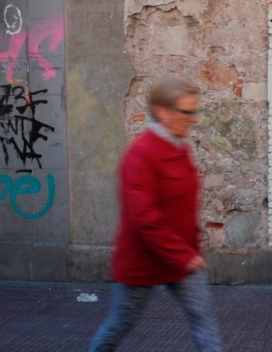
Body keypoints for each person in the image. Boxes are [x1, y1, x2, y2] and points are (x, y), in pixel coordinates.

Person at [89, 77, 223, 352]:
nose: (193, 119)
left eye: (195, 111)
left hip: (181, 258)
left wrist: (192, 243)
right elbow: (144, 218)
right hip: (144, 259)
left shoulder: (180, 147)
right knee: (122, 321)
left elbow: (183, 204)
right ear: (162, 112)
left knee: (202, 317)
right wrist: (184, 255)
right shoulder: (140, 154)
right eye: (187, 112)